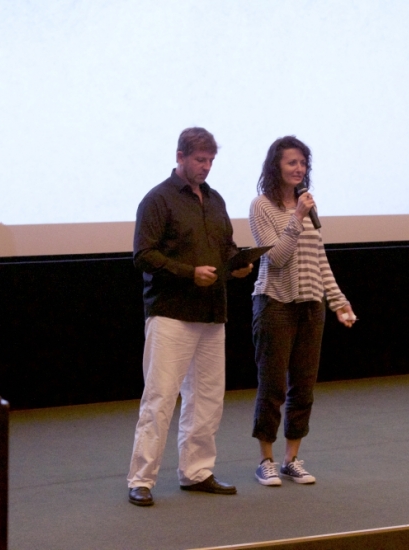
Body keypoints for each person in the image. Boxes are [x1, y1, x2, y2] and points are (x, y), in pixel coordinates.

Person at [127, 127, 253, 506]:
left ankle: (196, 472)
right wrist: (189, 273)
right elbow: (143, 255)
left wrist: (238, 264)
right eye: (200, 159)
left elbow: (226, 247)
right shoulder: (158, 199)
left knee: (208, 398)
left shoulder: (215, 200)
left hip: (213, 313)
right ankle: (141, 479)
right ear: (180, 156)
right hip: (172, 313)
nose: (206, 167)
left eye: (211, 160)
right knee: (160, 398)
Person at [248, 136, 356, 487]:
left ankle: (291, 459)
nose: (299, 168)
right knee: (273, 386)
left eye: (303, 163)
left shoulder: (307, 205)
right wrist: (296, 216)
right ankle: (265, 460)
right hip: (275, 303)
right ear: (276, 166)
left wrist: (338, 301)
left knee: (304, 386)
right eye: (292, 162)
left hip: (311, 305)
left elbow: (319, 259)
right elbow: (276, 257)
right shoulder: (262, 206)